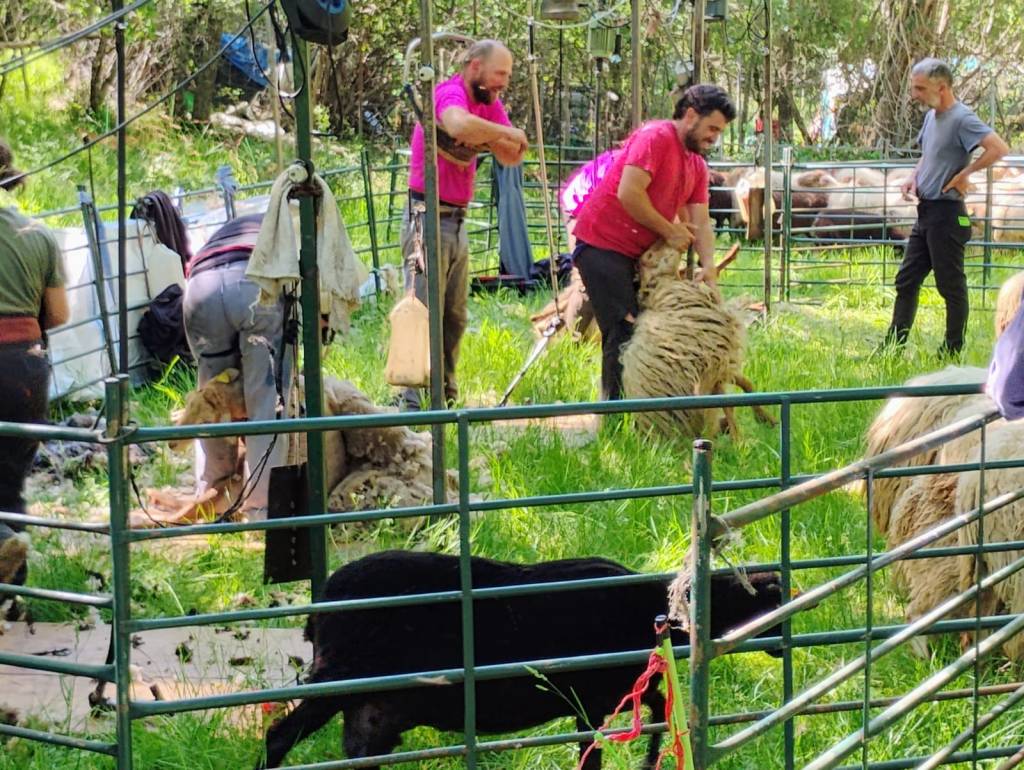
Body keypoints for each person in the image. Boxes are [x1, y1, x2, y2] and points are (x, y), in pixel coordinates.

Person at [571, 84, 736, 401]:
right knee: (624, 331)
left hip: (637, 255)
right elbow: (629, 193)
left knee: (645, 328)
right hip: (602, 246)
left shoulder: (696, 165)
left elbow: (701, 221)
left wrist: (710, 269)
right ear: (691, 116)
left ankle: (647, 407)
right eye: (712, 128)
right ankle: (616, 413)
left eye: (719, 131)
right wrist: (669, 230)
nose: (714, 137)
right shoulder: (655, 137)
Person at [399, 39, 528, 410]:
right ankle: (411, 399)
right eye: (500, 73)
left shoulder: (488, 104)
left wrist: (491, 134)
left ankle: (444, 395)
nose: (504, 82)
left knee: (453, 316)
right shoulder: (449, 93)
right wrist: (501, 133)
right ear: (475, 67)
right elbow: (459, 124)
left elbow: (513, 156)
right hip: (427, 214)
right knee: (421, 308)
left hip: (456, 219)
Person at [883, 58, 1008, 357]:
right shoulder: (931, 117)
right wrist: (913, 178)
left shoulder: (962, 118)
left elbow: (999, 148)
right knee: (906, 280)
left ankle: (952, 349)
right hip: (926, 212)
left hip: (948, 215)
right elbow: (929, 155)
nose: (914, 95)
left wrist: (965, 174)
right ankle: (893, 346)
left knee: (950, 285)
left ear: (942, 87)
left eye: (920, 88)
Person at [182, 213, 290, 522]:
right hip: (253, 285)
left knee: (212, 398)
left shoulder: (237, 226)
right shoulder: (288, 227)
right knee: (266, 400)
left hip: (200, 289)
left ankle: (213, 498)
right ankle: (261, 509)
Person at [0, 139, 69, 587]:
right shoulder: (37, 233)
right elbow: (59, 314)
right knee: (9, 480)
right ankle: (10, 591)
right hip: (25, 366)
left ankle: (2, 540)